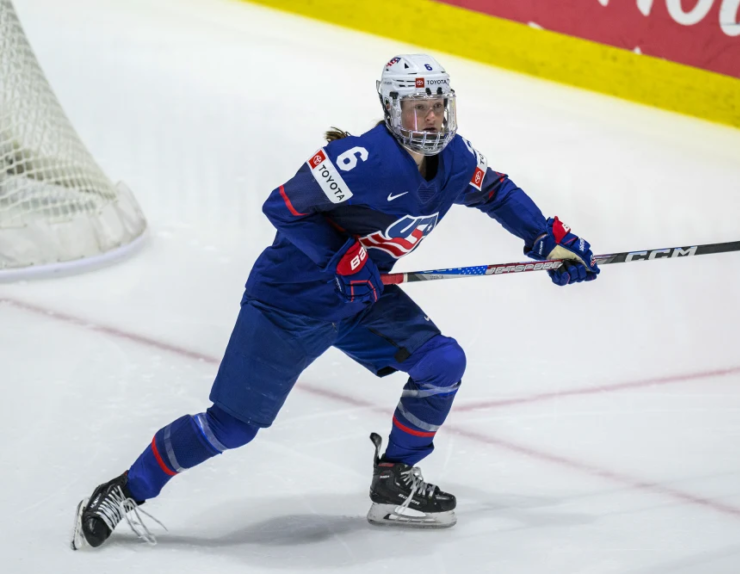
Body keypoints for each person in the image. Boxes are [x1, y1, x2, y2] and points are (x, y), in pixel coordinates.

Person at [71, 53, 600, 549]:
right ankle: (125, 489)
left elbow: (497, 191)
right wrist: (343, 257)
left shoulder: (455, 158)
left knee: (442, 362)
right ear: (392, 110)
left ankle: (394, 480)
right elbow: (281, 205)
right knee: (231, 427)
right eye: (419, 108)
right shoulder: (361, 160)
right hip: (290, 303)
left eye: (439, 106)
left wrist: (547, 237)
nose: (432, 120)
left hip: (362, 301)